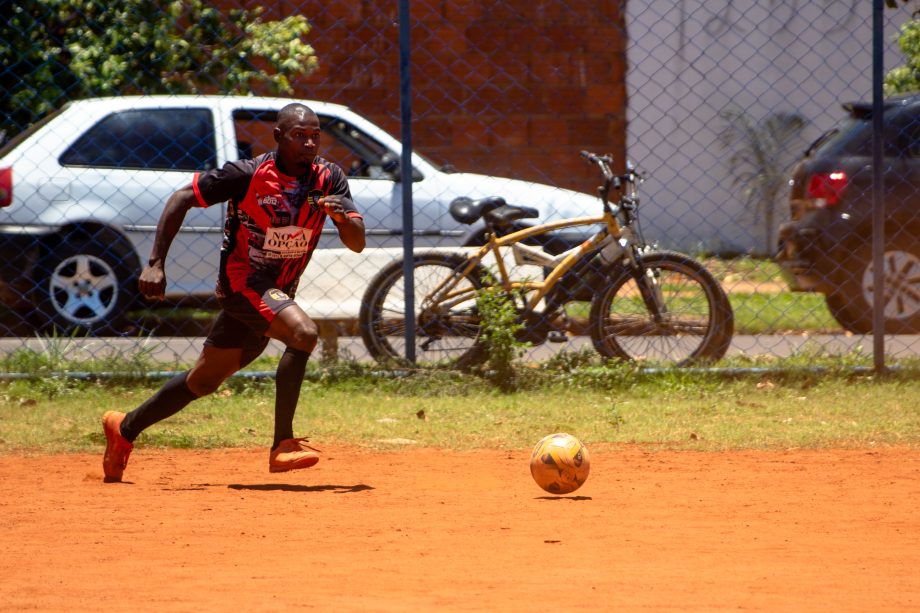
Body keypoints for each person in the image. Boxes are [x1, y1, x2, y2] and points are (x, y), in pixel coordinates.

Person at [102, 102, 366, 482]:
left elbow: (356, 242)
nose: (309, 143)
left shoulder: (329, 179)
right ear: (278, 137)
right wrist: (156, 263)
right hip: (242, 284)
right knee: (304, 334)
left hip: (277, 292)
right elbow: (181, 198)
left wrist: (342, 217)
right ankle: (283, 445)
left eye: (315, 136)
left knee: (205, 380)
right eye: (299, 135)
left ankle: (123, 428)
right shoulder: (247, 174)